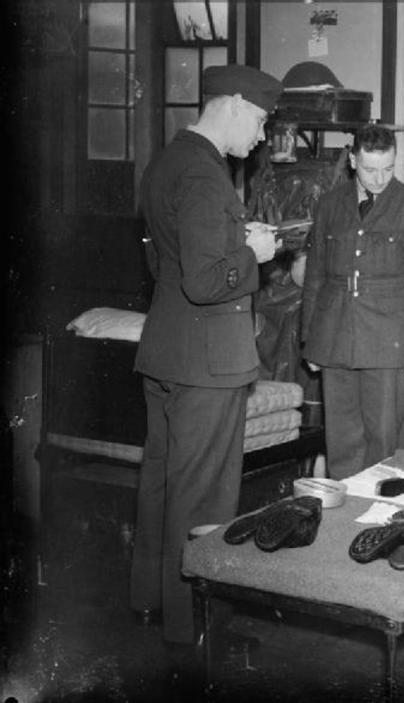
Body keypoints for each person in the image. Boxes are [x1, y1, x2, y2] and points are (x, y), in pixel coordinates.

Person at [131, 64, 283, 650]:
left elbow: (165, 267)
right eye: (263, 120)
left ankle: (150, 601)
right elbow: (204, 280)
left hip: (168, 350)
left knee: (162, 487)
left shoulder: (168, 161)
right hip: (209, 364)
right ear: (237, 105)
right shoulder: (204, 175)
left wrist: (238, 241)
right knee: (202, 497)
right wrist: (256, 255)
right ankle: (190, 625)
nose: (264, 136)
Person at [301, 124, 404, 480]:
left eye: (388, 168)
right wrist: (310, 341)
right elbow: (315, 275)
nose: (380, 178)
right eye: (369, 169)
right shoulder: (330, 204)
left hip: (387, 340)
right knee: (341, 442)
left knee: (380, 441)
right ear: (352, 161)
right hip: (334, 338)